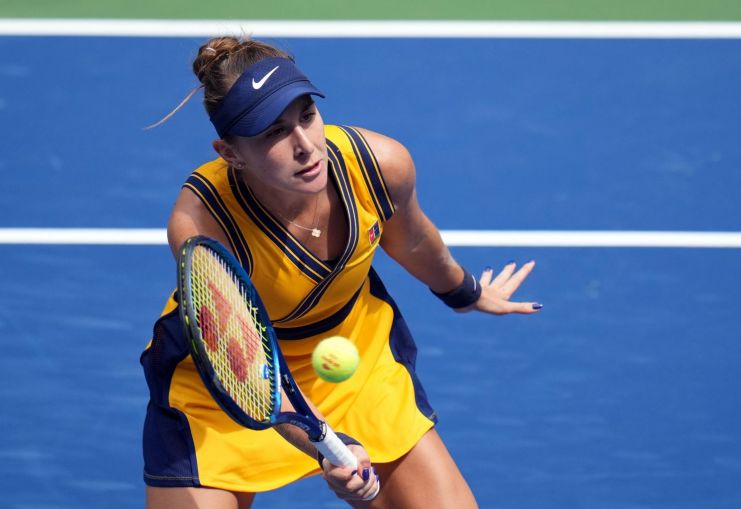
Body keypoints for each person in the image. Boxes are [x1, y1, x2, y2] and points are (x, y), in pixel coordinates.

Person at [140, 35, 541, 509]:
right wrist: (327, 445)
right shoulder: (203, 224)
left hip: (356, 364)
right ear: (230, 153)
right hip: (233, 389)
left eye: (307, 116)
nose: (305, 146)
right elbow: (249, 373)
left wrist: (463, 290)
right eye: (273, 133)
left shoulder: (377, 165)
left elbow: (411, 239)